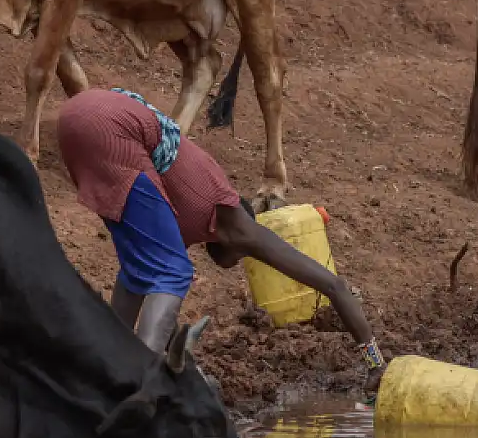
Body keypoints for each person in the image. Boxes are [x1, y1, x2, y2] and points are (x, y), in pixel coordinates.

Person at [55, 87, 384, 373]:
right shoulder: (239, 225)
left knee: (139, 273)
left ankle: (102, 370)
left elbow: (145, 294)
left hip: (75, 119)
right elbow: (334, 286)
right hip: (113, 128)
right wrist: (375, 363)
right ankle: (146, 384)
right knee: (172, 272)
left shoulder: (184, 220)